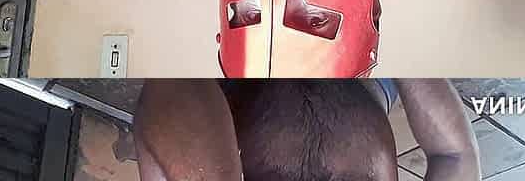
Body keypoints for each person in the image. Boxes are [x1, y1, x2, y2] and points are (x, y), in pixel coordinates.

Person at [133, 79, 481, 181]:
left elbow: (167, 86)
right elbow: (454, 157)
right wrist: (399, 44)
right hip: (368, 73)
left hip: (240, 65)